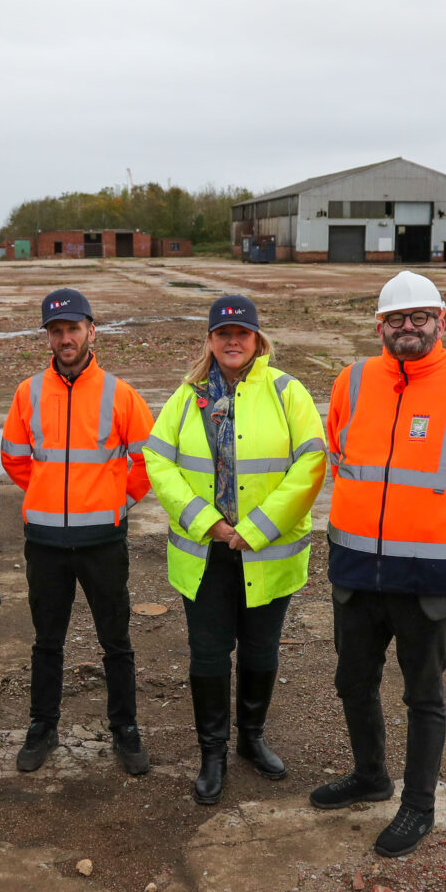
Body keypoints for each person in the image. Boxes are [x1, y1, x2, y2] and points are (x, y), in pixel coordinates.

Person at [309, 270, 446, 857]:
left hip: (429, 575)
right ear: (378, 325)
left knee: (422, 693)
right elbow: (339, 457)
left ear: (440, 319)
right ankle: (370, 775)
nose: (407, 328)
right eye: (395, 319)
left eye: (418, 317)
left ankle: (418, 805)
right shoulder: (352, 381)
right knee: (352, 679)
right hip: (357, 566)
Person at [143, 295, 325, 805]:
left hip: (266, 552)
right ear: (210, 340)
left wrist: (257, 529)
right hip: (205, 554)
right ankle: (212, 753)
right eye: (222, 334)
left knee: (262, 651)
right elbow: (158, 461)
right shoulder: (186, 396)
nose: (232, 341)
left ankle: (251, 738)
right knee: (208, 655)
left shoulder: (287, 392)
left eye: (241, 333)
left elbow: (311, 465)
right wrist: (209, 524)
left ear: (256, 339)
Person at [1, 288, 156, 775]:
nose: (65, 338)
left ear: (92, 330)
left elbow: (146, 461)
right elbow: (14, 458)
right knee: (48, 641)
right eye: (56, 330)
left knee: (117, 641)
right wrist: (47, 497)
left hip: (102, 543)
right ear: (48, 337)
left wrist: (114, 502)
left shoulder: (120, 393)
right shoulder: (27, 393)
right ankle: (42, 727)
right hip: (45, 543)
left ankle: (125, 731)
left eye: (73, 328)